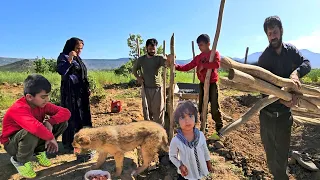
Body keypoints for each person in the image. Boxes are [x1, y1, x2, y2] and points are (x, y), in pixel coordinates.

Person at [258, 16, 311, 180]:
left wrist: (296, 73)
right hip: (268, 116)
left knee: (281, 154)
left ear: (281, 31)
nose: (272, 36)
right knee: (271, 157)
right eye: (269, 34)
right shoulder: (264, 59)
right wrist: (282, 99)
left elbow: (307, 63)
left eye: (275, 32)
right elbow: (262, 91)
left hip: (284, 117)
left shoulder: (291, 51)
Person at [0, 74, 71, 179]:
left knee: (62, 122)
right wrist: (50, 137)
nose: (47, 99)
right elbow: (35, 127)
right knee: (32, 131)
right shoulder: (19, 108)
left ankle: (40, 151)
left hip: (29, 138)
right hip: (12, 144)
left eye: (47, 96)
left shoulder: (42, 104)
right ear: (29, 97)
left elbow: (65, 112)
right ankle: (19, 161)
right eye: (43, 97)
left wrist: (51, 122)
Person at [175, 34, 223, 133]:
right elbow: (188, 67)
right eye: (198, 45)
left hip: (212, 84)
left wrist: (204, 66)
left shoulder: (214, 53)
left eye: (201, 45)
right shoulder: (199, 57)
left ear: (208, 44)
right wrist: (176, 66)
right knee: (201, 107)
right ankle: (203, 126)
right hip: (202, 84)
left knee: (214, 107)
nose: (199, 47)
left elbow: (217, 64)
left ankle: (219, 127)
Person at [56, 37, 93, 161]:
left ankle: (82, 140)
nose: (79, 51)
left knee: (83, 115)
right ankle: (70, 143)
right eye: (77, 48)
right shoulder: (63, 56)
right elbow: (61, 71)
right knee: (73, 116)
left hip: (80, 92)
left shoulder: (79, 58)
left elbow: (83, 74)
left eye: (81, 49)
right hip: (70, 93)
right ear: (71, 47)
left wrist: (87, 87)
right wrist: (70, 60)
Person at [132, 38, 172, 127]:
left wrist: (169, 59)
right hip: (146, 88)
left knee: (158, 110)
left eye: (154, 49)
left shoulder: (159, 58)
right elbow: (134, 70)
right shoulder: (141, 60)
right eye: (150, 49)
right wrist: (138, 77)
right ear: (146, 48)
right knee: (147, 110)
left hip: (157, 88)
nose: (152, 51)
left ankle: (160, 130)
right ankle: (149, 130)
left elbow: (167, 65)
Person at [169, 101, 213, 180]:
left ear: (195, 118)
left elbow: (205, 151)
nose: (187, 120)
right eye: (182, 117)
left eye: (190, 116)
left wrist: (208, 163)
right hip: (186, 174)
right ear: (177, 121)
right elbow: (172, 156)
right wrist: (180, 165)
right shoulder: (176, 140)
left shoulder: (200, 135)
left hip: (200, 172)